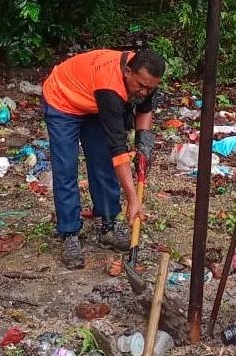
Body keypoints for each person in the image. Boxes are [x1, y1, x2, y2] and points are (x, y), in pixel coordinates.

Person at [42, 48, 165, 269]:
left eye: (150, 88)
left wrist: (143, 146)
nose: (145, 92)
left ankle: (108, 224)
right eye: (141, 86)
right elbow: (118, 150)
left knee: (103, 163)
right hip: (63, 99)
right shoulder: (110, 87)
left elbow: (144, 110)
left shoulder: (145, 74)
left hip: (92, 100)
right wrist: (132, 199)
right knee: (66, 168)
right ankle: (69, 232)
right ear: (127, 72)